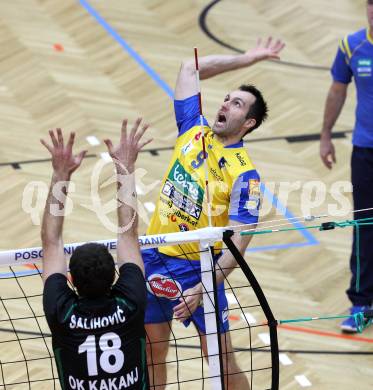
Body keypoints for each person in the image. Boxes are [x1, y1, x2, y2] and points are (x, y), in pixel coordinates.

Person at [143, 38, 285, 388]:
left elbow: (239, 243)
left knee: (221, 363)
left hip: (199, 270)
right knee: (151, 351)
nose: (225, 104)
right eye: (226, 98)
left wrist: (204, 289)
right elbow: (190, 67)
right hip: (153, 256)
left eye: (237, 104)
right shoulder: (192, 127)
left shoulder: (245, 174)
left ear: (248, 123)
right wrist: (247, 58)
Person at [41, 119, 152, 389]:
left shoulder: (62, 312)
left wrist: (60, 175)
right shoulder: (130, 303)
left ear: (71, 279)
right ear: (115, 275)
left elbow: (52, 243)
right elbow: (128, 234)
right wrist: (124, 166)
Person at [320, 0, 373, 333]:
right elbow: (337, 90)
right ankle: (361, 303)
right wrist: (325, 135)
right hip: (365, 151)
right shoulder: (351, 46)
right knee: (365, 225)